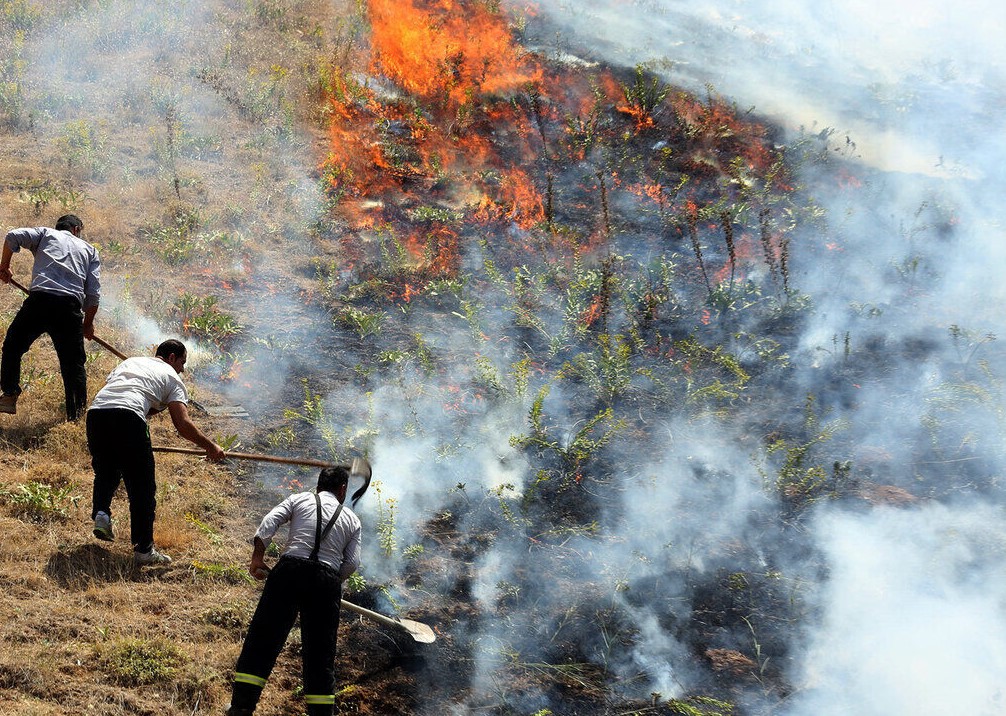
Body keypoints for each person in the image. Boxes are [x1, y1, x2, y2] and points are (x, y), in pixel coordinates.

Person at [227, 465, 362, 716]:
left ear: (319, 485)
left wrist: (258, 557)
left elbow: (270, 521)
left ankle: (241, 707)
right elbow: (352, 563)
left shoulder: (299, 499)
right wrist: (331, 583)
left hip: (288, 572)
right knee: (321, 654)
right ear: (343, 489)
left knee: (263, 640)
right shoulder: (352, 520)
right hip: (327, 580)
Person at [88, 338, 225, 565]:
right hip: (129, 417)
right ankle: (144, 550)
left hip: (97, 414)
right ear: (172, 357)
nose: (182, 369)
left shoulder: (131, 362)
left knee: (106, 470)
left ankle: (102, 514)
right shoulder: (173, 378)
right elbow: (182, 424)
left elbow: (122, 393)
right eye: (182, 362)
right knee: (142, 487)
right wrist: (211, 447)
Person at [0, 213, 101, 420]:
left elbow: (12, 236)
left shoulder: (45, 234)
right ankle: (76, 417)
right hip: (69, 309)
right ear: (76, 229)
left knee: (12, 346)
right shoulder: (90, 250)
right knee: (73, 365)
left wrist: (4, 265)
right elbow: (92, 294)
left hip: (39, 302)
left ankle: (9, 395)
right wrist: (87, 324)